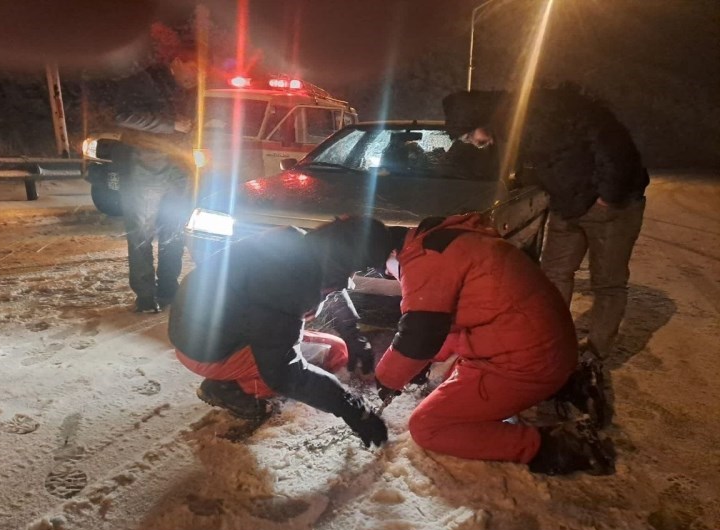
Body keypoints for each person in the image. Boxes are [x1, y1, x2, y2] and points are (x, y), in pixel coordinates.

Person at [374, 214, 615, 476]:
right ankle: (569, 385)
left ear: (391, 254)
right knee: (450, 374)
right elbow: (447, 327)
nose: (389, 275)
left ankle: (558, 446)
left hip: (528, 362)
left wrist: (387, 379)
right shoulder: (445, 240)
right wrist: (419, 363)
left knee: (428, 426)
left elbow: (420, 337)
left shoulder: (425, 261)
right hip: (546, 346)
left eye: (385, 270)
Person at [442, 84, 650, 362]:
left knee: (608, 282)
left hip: (612, 206)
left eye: (469, 135)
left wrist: (608, 197)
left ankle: (595, 351)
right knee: (553, 273)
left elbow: (614, 144)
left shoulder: (548, 111)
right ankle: (551, 337)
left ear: (479, 119)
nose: (474, 142)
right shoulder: (511, 125)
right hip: (567, 205)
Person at [167, 215, 393, 448]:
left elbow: (331, 292)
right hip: (206, 349)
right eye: (351, 270)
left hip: (230, 328)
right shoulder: (284, 281)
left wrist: (352, 334)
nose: (349, 281)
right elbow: (283, 372)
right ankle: (226, 388)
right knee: (277, 380)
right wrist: (351, 408)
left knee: (335, 351)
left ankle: (238, 376)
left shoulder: (306, 247)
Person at [112, 31, 198, 313]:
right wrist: (170, 124)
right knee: (141, 233)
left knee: (174, 231)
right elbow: (123, 116)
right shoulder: (144, 81)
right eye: (193, 69)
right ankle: (145, 296)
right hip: (143, 168)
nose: (196, 77)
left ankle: (169, 290)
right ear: (176, 62)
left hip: (178, 170)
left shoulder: (192, 93)